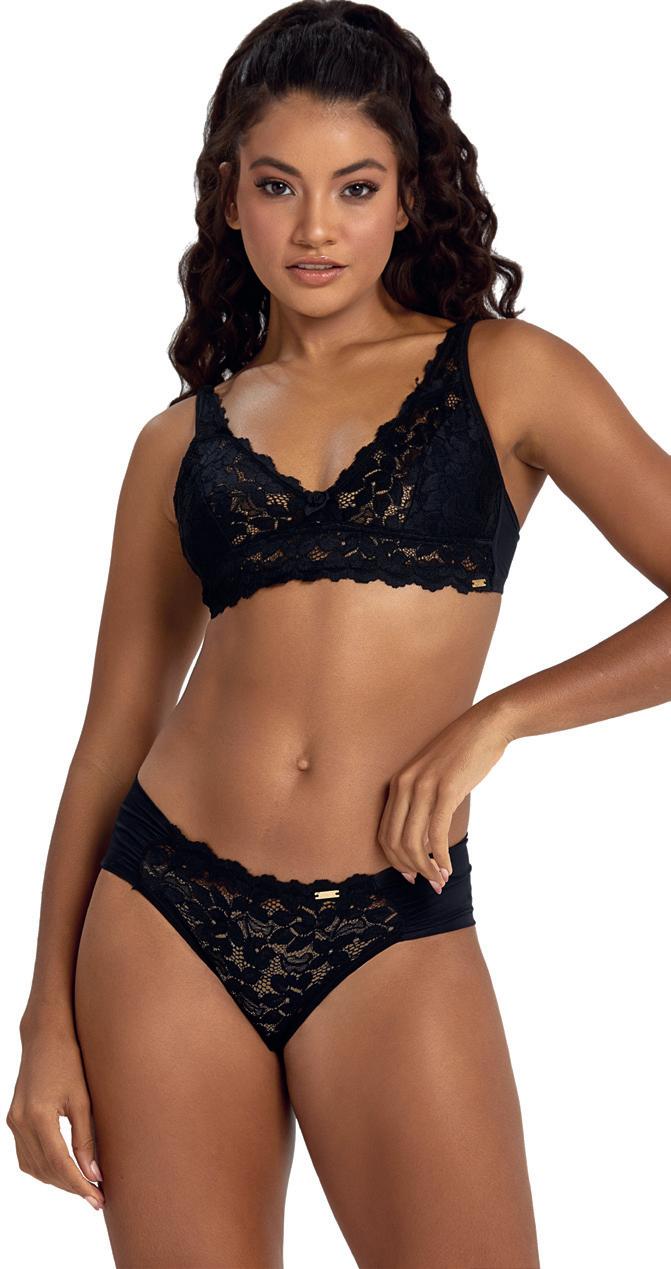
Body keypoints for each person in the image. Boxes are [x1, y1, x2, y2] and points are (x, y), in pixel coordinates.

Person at [7, 2, 671, 1266]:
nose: (314, 228)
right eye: (278, 186)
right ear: (229, 197)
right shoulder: (176, 440)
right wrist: (46, 1017)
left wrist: (499, 719)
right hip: (160, 918)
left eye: (354, 187)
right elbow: (112, 733)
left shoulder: (507, 374)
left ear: (408, 196)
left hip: (389, 918)